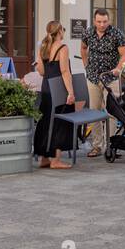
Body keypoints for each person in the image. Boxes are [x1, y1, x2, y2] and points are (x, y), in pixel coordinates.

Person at [81, 8, 125, 159]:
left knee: (112, 112)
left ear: (109, 21)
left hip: (111, 78)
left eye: (105, 21)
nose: (102, 24)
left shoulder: (116, 34)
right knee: (94, 112)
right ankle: (97, 146)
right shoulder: (88, 33)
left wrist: (118, 68)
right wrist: (86, 65)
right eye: (99, 21)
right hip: (93, 78)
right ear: (94, 21)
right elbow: (83, 48)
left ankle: (112, 145)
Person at [33, 21, 75, 170]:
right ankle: (56, 160)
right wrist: (70, 92)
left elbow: (42, 71)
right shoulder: (62, 48)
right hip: (59, 88)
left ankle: (44, 159)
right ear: (60, 32)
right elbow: (65, 72)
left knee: (45, 121)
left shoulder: (43, 47)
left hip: (46, 87)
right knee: (60, 122)